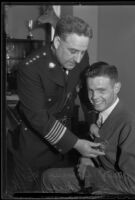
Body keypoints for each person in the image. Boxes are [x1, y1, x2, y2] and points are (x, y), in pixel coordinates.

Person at [9, 15, 104, 192]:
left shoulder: (82, 57)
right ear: (58, 41)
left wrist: (92, 120)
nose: (78, 59)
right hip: (34, 146)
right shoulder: (30, 68)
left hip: (64, 145)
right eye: (73, 51)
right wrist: (76, 143)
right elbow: (38, 118)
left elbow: (84, 92)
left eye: (83, 52)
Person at [41, 61, 135, 194]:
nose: (94, 97)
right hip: (102, 172)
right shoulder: (102, 115)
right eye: (91, 90)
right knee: (48, 177)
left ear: (116, 88)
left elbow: (134, 184)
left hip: (118, 186)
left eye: (101, 90)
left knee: (48, 179)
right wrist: (88, 158)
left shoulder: (132, 126)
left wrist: (89, 172)